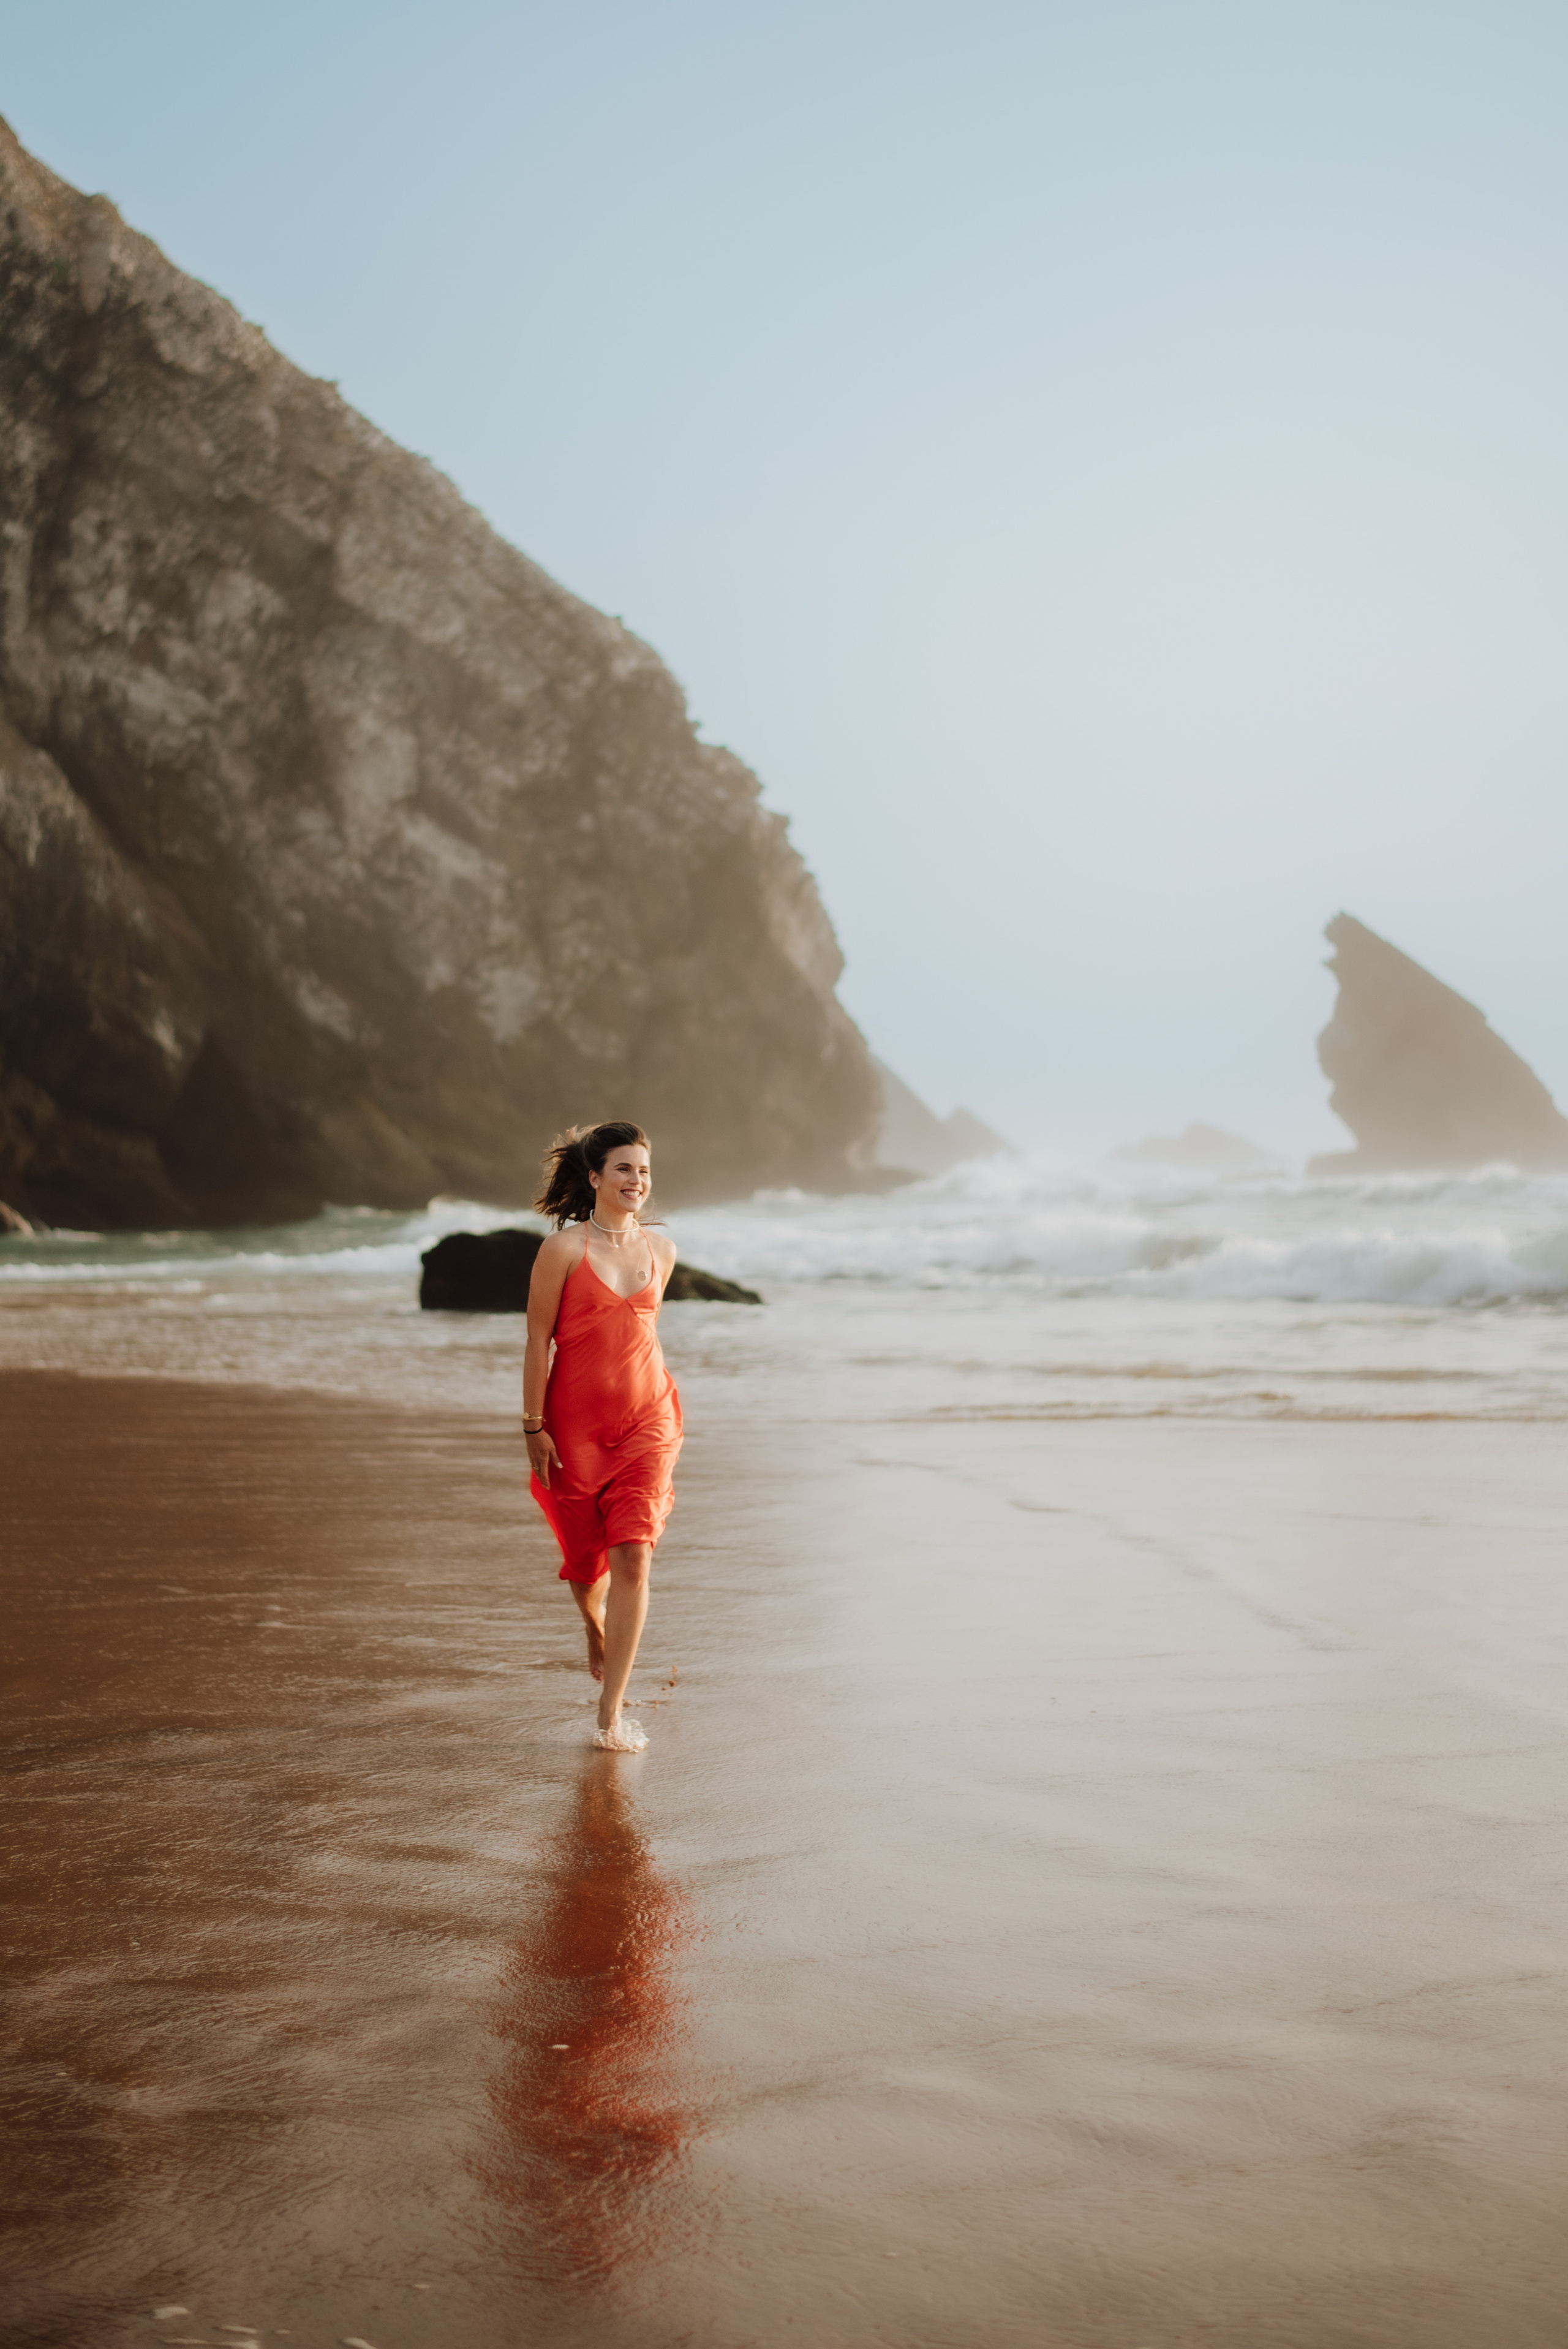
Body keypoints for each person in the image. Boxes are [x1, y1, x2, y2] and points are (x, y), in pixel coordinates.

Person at [522, 1122, 681, 1751]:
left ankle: (610, 1712)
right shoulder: (562, 1252)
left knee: (634, 1552)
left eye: (643, 1170)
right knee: (587, 1561)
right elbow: (539, 1342)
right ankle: (595, 1625)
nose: (636, 1181)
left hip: (649, 1420)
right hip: (575, 1426)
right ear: (594, 1177)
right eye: (623, 1169)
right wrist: (532, 1426)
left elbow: (642, 1335)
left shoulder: (660, 1252)